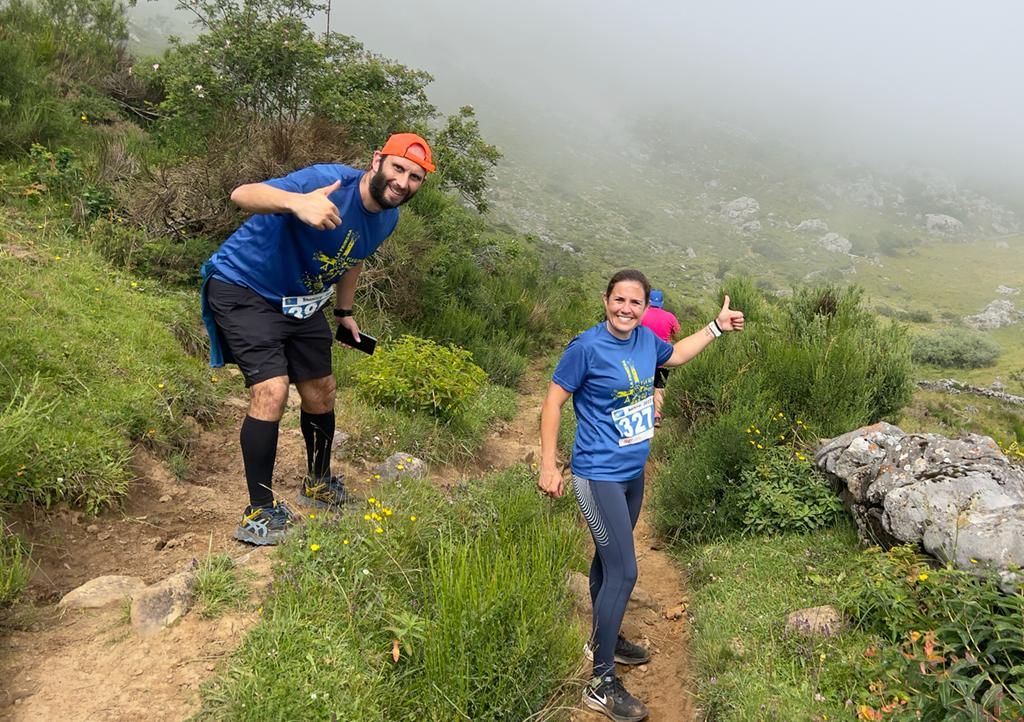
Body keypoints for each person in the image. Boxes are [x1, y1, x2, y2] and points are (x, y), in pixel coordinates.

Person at [200, 133, 436, 545]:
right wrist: (296, 201)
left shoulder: (388, 216)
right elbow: (243, 194)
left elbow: (351, 258)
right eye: (398, 168)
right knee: (271, 391)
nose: (403, 182)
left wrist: (344, 312)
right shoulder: (326, 180)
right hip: (245, 285)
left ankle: (318, 482)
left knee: (322, 391)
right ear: (377, 160)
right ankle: (259, 511)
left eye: (415, 177)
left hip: (303, 302)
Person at [538, 269, 743, 722]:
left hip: (632, 474)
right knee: (625, 571)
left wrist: (715, 327)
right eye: (619, 300)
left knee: (606, 562)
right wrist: (548, 464)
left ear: (646, 308)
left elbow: (677, 356)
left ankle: (602, 638)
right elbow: (552, 402)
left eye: (635, 303)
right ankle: (600, 682)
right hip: (597, 474)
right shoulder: (585, 347)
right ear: (605, 299)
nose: (626, 309)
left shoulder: (647, 342)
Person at [639, 289, 680, 428]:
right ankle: (657, 416)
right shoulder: (670, 317)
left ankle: (639, 416)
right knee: (659, 388)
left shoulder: (641, 314)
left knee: (641, 386)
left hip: (642, 357)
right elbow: (677, 334)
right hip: (663, 359)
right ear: (662, 302)